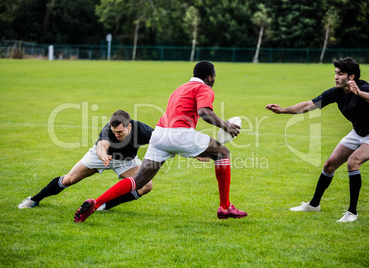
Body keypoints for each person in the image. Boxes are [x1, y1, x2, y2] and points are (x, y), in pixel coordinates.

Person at [74, 60, 248, 222]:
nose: (213, 80)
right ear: (209, 77)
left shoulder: (180, 88)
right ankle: (225, 207)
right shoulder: (204, 89)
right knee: (223, 153)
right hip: (179, 133)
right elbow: (204, 112)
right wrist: (225, 125)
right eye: (214, 77)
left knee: (139, 181)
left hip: (159, 135)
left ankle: (96, 203)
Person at [266, 57, 369, 222]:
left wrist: (360, 93)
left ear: (351, 77)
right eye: (335, 73)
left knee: (353, 162)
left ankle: (352, 213)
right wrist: (283, 110)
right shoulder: (336, 92)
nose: (336, 77)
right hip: (358, 132)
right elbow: (308, 105)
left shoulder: (363, 87)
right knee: (329, 165)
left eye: (340, 74)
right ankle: (314, 205)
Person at [18, 109, 154, 211]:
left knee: (147, 186)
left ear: (129, 126)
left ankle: (105, 206)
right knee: (69, 179)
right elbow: (102, 146)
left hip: (126, 161)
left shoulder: (143, 130)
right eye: (114, 131)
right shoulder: (108, 130)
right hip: (100, 157)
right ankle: (34, 200)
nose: (116, 135)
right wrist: (103, 156)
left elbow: (161, 142)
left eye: (120, 132)